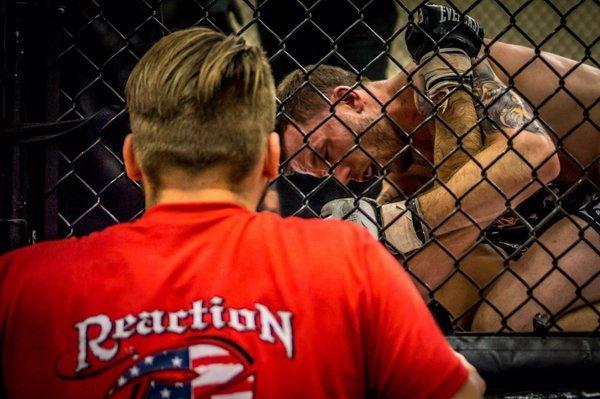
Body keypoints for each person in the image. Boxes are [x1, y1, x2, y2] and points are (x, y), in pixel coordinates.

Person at [0, 27, 485, 398]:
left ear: (131, 160)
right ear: (272, 161)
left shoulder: (23, 284)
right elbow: (461, 390)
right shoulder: (346, 260)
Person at [277, 4, 600, 332]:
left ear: (349, 101)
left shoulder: (440, 71)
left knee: (500, 321)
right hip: (575, 207)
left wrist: (399, 221)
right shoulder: (404, 167)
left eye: (329, 153)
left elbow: (536, 159)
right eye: (328, 174)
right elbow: (421, 272)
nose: (344, 177)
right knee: (452, 302)